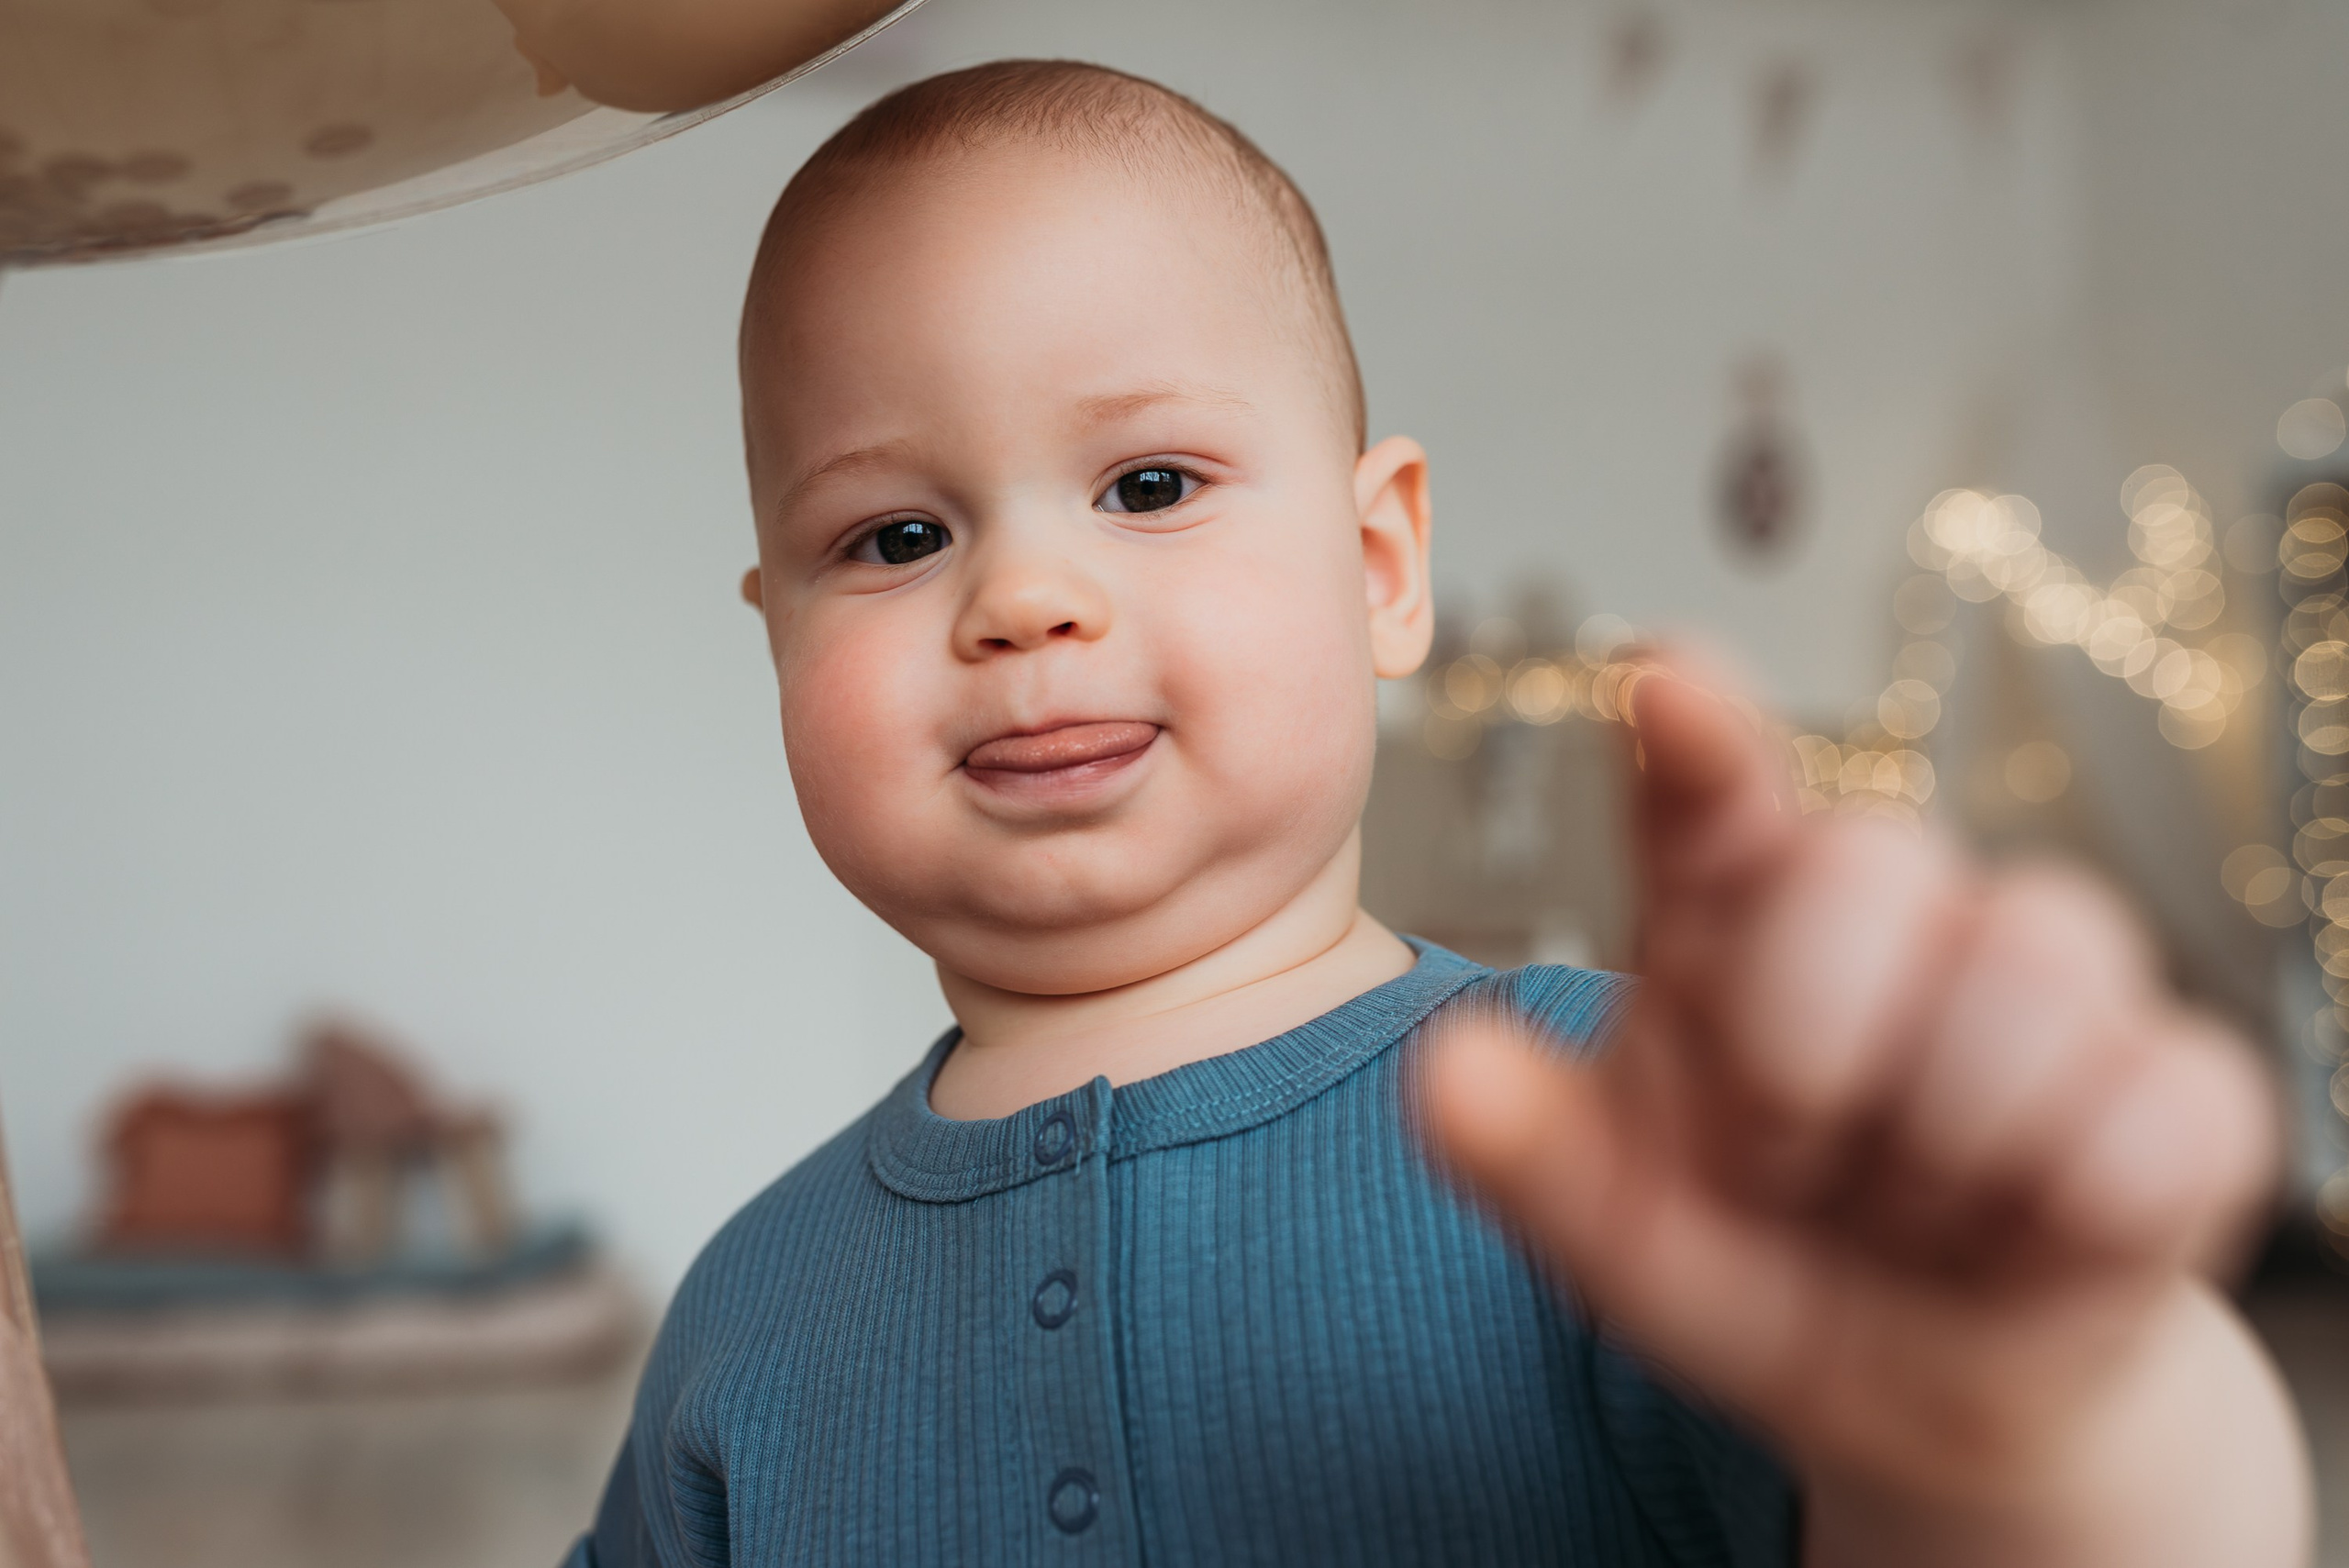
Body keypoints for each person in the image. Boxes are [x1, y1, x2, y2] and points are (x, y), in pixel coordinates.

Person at [566, 60, 2310, 1567]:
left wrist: (2056, 1410)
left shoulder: (1631, 1135)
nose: (1024, 596)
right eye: (892, 537)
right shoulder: (745, 1317)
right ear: (778, 632)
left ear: (1382, 563)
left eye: (1149, 484)